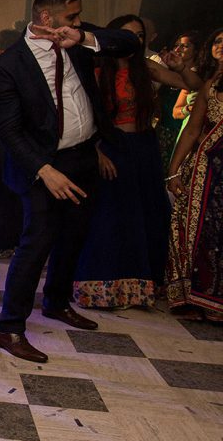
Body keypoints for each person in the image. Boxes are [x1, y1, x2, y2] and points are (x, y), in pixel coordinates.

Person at [0, 0, 140, 363]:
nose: (79, 21)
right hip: (40, 165)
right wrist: (44, 170)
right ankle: (9, 327)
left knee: (75, 233)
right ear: (46, 16)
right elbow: (8, 130)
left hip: (83, 156)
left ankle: (56, 301)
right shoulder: (8, 65)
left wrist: (84, 35)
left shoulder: (79, 45)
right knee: (36, 242)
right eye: (72, 15)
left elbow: (130, 43)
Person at [74, 15, 201, 309]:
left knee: (147, 215)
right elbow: (86, 116)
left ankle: (140, 287)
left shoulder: (144, 67)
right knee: (112, 217)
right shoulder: (97, 70)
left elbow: (193, 86)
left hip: (144, 147)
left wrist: (180, 66)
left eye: (139, 36)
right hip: (111, 147)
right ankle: (104, 287)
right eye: (126, 34)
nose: (133, 41)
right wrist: (97, 152)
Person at [165, 27, 223, 321]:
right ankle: (196, 299)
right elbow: (192, 129)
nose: (221, 45)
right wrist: (174, 171)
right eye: (218, 40)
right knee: (197, 231)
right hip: (206, 168)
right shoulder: (210, 84)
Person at [158, 31, 200, 171]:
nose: (177, 49)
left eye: (184, 46)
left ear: (196, 51)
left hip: (179, 132)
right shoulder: (170, 72)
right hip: (162, 129)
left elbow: (178, 111)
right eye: (176, 45)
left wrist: (187, 109)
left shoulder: (197, 76)